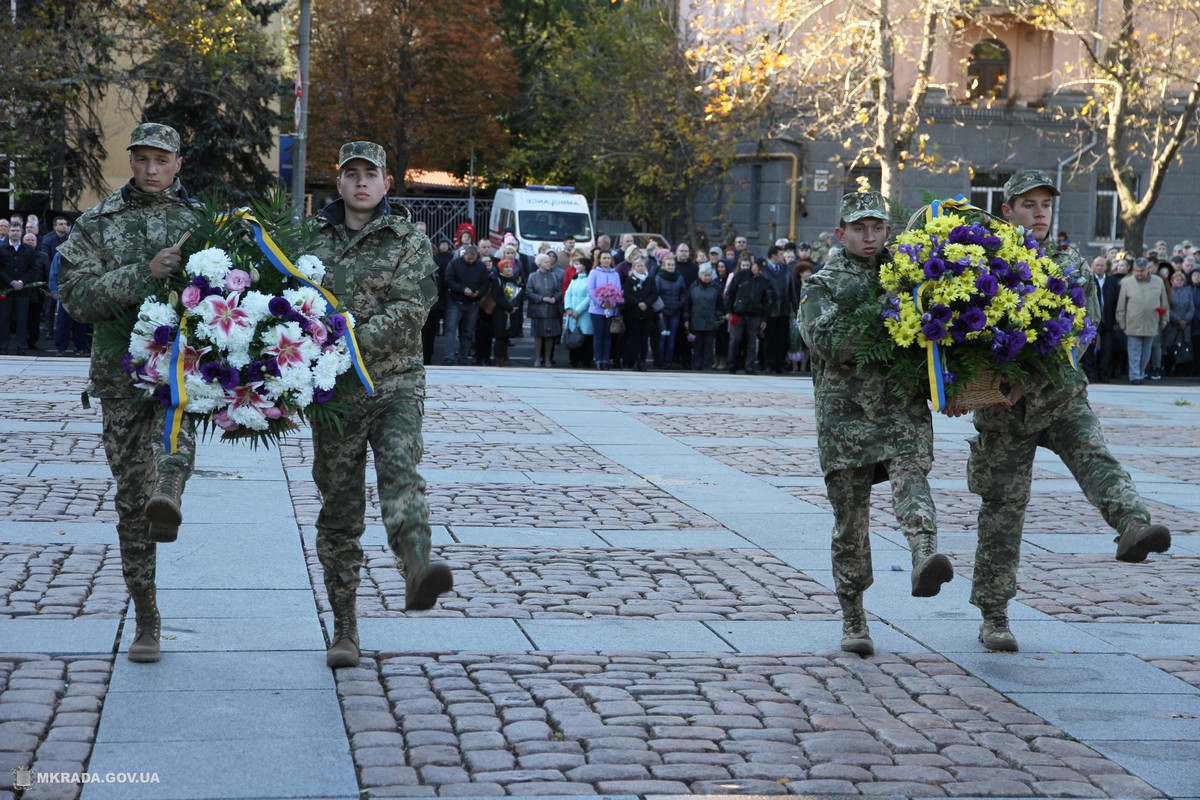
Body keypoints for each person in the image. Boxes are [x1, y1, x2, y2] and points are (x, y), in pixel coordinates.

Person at [960, 170, 1171, 653]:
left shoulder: (1068, 265)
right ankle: (994, 615)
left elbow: (1081, 334)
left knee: (1097, 458)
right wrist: (969, 385)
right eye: (1028, 204)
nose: (1039, 213)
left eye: (1045, 205)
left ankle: (1133, 525)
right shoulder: (978, 265)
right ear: (1007, 209)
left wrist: (1025, 379)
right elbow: (961, 338)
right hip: (1003, 414)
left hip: (1060, 398)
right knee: (1003, 511)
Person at [56, 123, 199, 663]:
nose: (152, 169)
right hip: (121, 377)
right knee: (131, 500)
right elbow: (75, 297)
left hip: (183, 373)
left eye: (162, 159)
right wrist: (145, 272)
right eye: (142, 160)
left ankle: (171, 490)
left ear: (178, 162)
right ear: (133, 162)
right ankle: (147, 618)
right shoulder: (96, 223)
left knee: (175, 448)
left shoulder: (198, 222)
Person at [309, 141, 453, 669]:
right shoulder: (310, 242)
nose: (362, 183)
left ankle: (417, 567)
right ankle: (344, 628)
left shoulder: (408, 241)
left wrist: (336, 343)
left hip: (394, 384)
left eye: (371, 174)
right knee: (339, 509)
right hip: (334, 396)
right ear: (340, 182)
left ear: (387, 183)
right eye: (352, 174)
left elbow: (408, 310)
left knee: (399, 466)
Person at [799, 190, 952, 657]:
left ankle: (924, 554)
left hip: (901, 411)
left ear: (889, 231)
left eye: (877, 228)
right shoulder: (821, 284)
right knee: (851, 521)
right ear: (841, 233)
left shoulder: (911, 275)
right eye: (859, 229)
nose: (869, 237)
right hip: (845, 423)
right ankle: (853, 615)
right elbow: (826, 340)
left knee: (912, 478)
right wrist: (892, 319)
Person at [1116, 257, 1170, 385]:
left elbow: (1164, 304)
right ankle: (1134, 376)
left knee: (1146, 353)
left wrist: (1164, 320)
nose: (1139, 273)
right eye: (1137, 271)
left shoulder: (1158, 282)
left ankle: (1140, 373)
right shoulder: (1126, 282)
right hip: (1133, 322)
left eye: (1142, 271)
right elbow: (1121, 304)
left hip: (1151, 323)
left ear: (1148, 270)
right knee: (1134, 351)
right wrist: (1121, 321)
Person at [442, 244, 489, 365]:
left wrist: (479, 293)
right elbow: (449, 280)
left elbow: (485, 284)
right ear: (464, 255)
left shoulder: (480, 266)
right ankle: (449, 356)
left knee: (468, 332)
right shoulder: (454, 264)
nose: (471, 260)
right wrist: (462, 289)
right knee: (450, 329)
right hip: (455, 301)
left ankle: (463, 357)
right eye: (469, 257)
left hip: (473, 303)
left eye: (473, 258)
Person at [0, 221, 39, 355]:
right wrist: (11, 282)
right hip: (6, 290)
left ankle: (21, 347)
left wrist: (22, 281)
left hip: (24, 290)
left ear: (21, 232)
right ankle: (2, 347)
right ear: (8, 232)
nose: (15, 233)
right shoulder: (1, 248)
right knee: (4, 319)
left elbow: (33, 269)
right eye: (13, 231)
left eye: (17, 231)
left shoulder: (28, 249)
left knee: (22, 320)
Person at [622, 253, 659, 372]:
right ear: (634, 267)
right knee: (635, 338)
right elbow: (628, 294)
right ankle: (635, 361)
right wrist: (638, 303)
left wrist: (646, 303)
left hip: (647, 313)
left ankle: (643, 361)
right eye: (638, 266)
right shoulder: (630, 280)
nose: (640, 268)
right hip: (634, 313)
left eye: (642, 266)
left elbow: (654, 294)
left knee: (644, 339)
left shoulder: (650, 280)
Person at [527, 251, 564, 367]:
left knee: (550, 335)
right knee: (538, 335)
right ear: (540, 264)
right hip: (538, 310)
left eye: (549, 261)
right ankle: (538, 358)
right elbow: (528, 292)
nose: (549, 263)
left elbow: (559, 290)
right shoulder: (532, 276)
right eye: (546, 262)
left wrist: (555, 298)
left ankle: (548, 359)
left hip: (552, 310)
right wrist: (542, 298)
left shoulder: (554, 276)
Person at [684, 263, 723, 371]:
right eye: (705, 275)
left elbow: (721, 304)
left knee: (709, 346)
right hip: (696, 320)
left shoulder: (716, 287)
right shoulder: (693, 287)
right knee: (697, 346)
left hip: (711, 321)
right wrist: (687, 319)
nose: (707, 277)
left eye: (709, 275)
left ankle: (707, 366)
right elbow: (687, 304)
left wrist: (718, 315)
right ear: (700, 275)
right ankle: (696, 366)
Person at [587, 249, 622, 370]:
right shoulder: (594, 272)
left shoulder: (615, 274)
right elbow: (591, 290)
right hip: (597, 309)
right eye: (604, 258)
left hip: (610, 309)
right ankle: (598, 359)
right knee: (599, 334)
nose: (606, 260)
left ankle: (606, 359)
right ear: (599, 260)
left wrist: (612, 301)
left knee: (607, 335)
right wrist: (601, 302)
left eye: (608, 258)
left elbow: (618, 290)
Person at [488, 258, 523, 367]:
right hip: (500, 311)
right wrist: (508, 307)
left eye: (510, 267)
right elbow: (497, 297)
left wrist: (515, 307)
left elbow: (518, 295)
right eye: (506, 267)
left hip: (511, 312)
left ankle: (503, 357)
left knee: (506, 337)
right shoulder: (497, 280)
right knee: (500, 336)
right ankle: (497, 358)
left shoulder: (514, 280)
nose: (509, 269)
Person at [654, 254, 686, 369]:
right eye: (668, 265)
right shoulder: (659, 277)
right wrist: (659, 310)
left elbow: (683, 292)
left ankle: (669, 360)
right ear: (664, 266)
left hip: (675, 312)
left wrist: (680, 303)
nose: (671, 267)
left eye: (672, 265)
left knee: (671, 337)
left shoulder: (679, 277)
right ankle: (661, 360)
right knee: (662, 336)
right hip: (662, 313)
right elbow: (656, 295)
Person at [563, 255, 594, 369]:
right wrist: (568, 308)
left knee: (586, 337)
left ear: (585, 266)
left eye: (579, 264)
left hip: (584, 314)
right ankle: (574, 360)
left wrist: (578, 310)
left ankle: (586, 361)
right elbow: (568, 293)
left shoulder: (590, 279)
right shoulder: (575, 279)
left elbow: (589, 297)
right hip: (572, 314)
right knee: (573, 337)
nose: (577, 266)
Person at [1164, 270, 1194, 374]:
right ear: (1172, 281)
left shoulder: (1188, 292)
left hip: (1185, 326)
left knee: (1183, 348)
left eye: (1181, 280)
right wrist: (1177, 320)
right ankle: (1167, 370)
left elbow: (1191, 308)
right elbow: (1166, 308)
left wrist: (1185, 320)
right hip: (1172, 325)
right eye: (1177, 280)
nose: (1179, 282)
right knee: (1169, 348)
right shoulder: (1169, 292)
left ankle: (1180, 371)